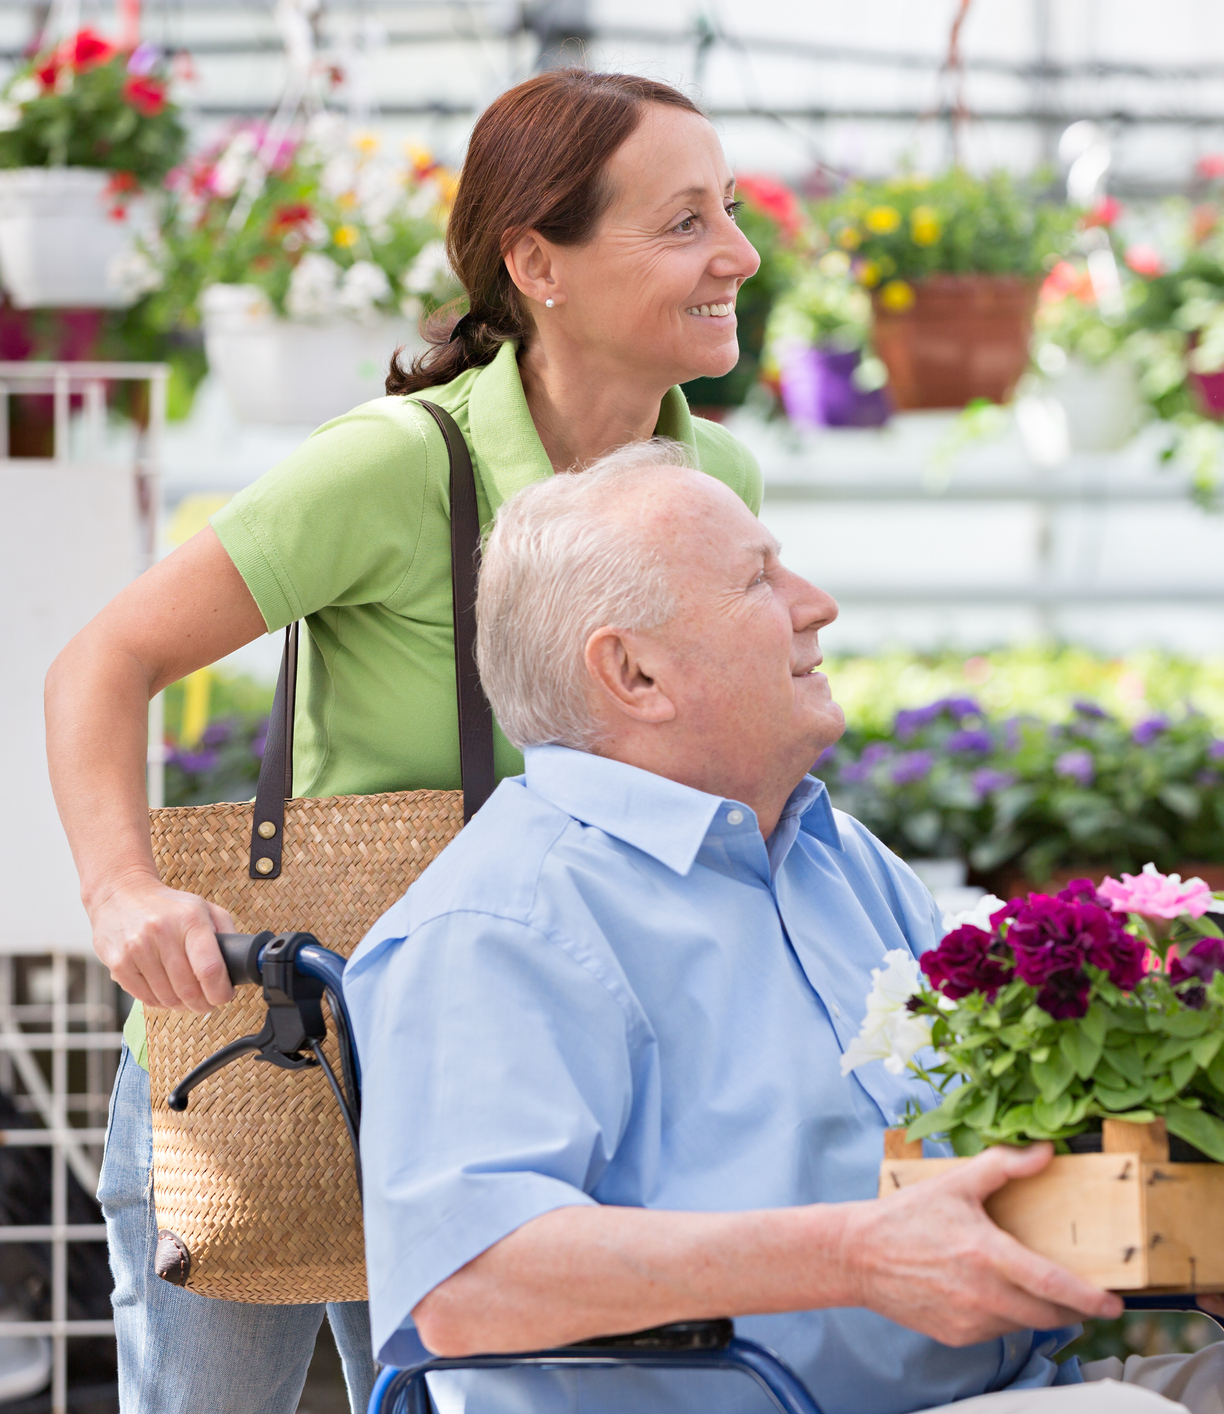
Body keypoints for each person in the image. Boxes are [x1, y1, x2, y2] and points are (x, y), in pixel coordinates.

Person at [347, 444, 1224, 1414]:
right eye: (758, 579)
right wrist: (856, 1255)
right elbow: (466, 1283)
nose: (817, 602)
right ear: (636, 674)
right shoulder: (501, 919)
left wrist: (1197, 1224)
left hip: (1017, 1387)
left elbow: (997, 1144)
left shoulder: (838, 860)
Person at [43, 70, 766, 1414]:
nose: (738, 253)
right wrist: (120, 888)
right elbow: (104, 658)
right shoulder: (392, 465)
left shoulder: (712, 485)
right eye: (684, 221)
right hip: (274, 1054)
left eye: (728, 210)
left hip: (514, 1068)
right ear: (535, 259)